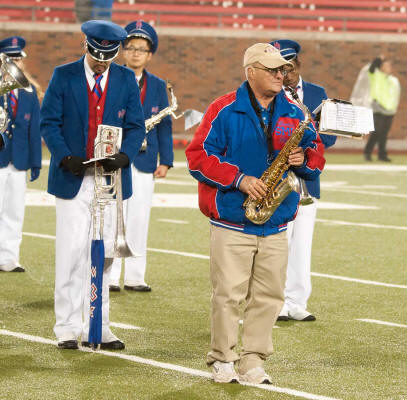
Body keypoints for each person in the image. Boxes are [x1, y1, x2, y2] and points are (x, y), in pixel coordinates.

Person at [185, 43, 325, 384]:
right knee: (228, 294)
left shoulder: (294, 111)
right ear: (251, 72)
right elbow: (197, 156)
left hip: (275, 220)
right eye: (272, 70)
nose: (281, 75)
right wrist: (240, 179)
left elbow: (316, 153)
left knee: (269, 296)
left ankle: (253, 360)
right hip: (232, 217)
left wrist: (304, 160)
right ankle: (223, 358)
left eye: (282, 70)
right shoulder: (222, 108)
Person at [41, 20, 145, 350]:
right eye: (97, 57)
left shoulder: (125, 79)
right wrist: (64, 156)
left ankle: (98, 327)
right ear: (85, 47)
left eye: (107, 59)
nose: (101, 64)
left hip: (110, 181)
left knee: (104, 256)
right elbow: (49, 122)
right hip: (72, 179)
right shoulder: (63, 75)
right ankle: (67, 327)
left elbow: (136, 126)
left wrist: (125, 156)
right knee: (71, 253)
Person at [270, 39, 335, 322]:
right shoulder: (270, 93)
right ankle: (275, 302)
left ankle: (297, 301)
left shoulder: (318, 93)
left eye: (290, 67)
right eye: (280, 69)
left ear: (299, 64)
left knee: (302, 245)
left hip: (307, 179)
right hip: (277, 180)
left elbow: (329, 137)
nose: (286, 74)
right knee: (278, 244)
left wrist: (306, 140)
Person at [108, 20, 173, 293]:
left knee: (139, 219)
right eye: (131, 47)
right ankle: (110, 276)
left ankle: (135, 276)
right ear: (123, 51)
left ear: (150, 55)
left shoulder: (157, 85)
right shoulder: (112, 77)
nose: (135, 53)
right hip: (117, 157)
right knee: (113, 217)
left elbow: (165, 125)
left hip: (146, 161)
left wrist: (166, 160)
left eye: (141, 49)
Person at [0, 36, 41, 273]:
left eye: (18, 59)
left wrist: (35, 162)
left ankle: (9, 258)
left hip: (19, 160)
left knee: (14, 211)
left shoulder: (29, 91)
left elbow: (34, 129)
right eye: (10, 58)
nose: (15, 63)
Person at [350, 55, 400, 162]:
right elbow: (372, 68)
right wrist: (378, 59)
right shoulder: (375, 75)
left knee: (384, 134)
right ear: (381, 67)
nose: (388, 68)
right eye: (386, 66)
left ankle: (382, 155)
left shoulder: (393, 80)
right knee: (376, 131)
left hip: (389, 110)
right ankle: (367, 152)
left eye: (389, 66)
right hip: (378, 108)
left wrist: (393, 107)